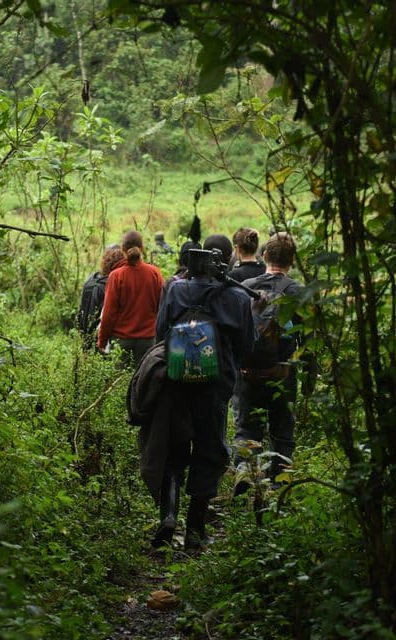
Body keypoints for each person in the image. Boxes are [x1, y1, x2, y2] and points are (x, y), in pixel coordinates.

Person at [141, 235, 256, 551]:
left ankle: (168, 516)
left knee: (174, 447)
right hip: (215, 387)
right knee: (209, 452)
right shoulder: (237, 297)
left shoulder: (175, 289)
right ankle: (195, 531)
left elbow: (161, 333)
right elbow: (248, 344)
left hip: (175, 382)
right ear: (227, 260)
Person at [231, 231, 315, 494]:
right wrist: (309, 379)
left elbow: (234, 332)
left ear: (265, 255)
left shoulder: (246, 288)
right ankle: (277, 491)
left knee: (246, 427)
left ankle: (244, 470)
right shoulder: (299, 292)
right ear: (292, 260)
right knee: (282, 433)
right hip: (283, 372)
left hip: (248, 373)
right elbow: (309, 341)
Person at [97, 231, 164, 366]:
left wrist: (102, 341)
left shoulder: (116, 276)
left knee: (120, 383)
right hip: (148, 340)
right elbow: (162, 306)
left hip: (122, 341)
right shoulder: (154, 273)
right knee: (143, 383)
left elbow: (109, 313)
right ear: (142, 248)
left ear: (122, 249)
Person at [76, 245, 124, 351]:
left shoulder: (90, 279)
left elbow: (80, 312)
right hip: (102, 341)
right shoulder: (111, 284)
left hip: (85, 336)